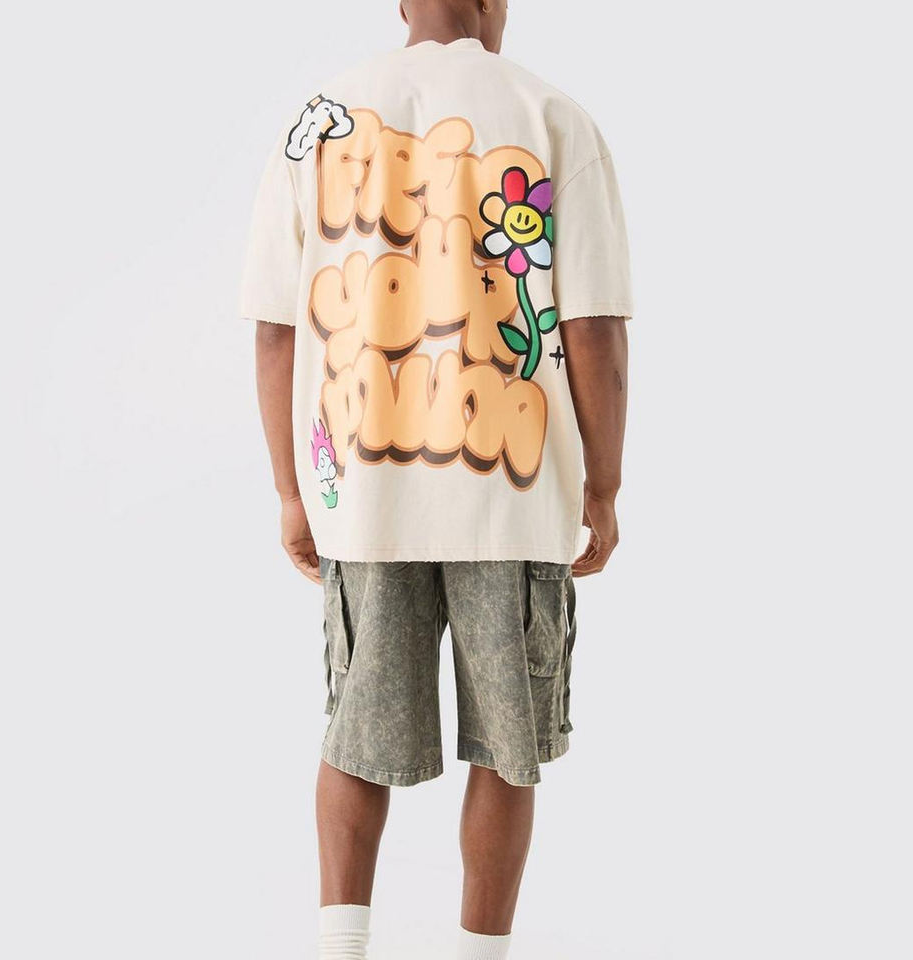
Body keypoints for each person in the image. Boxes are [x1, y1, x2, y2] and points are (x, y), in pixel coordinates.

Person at [240, 1, 632, 957]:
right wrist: (604, 487)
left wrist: (292, 490)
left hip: (365, 499)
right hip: (515, 495)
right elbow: (593, 329)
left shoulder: (321, 120)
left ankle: (341, 947)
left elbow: (276, 328)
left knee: (355, 737)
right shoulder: (552, 117)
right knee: (508, 749)